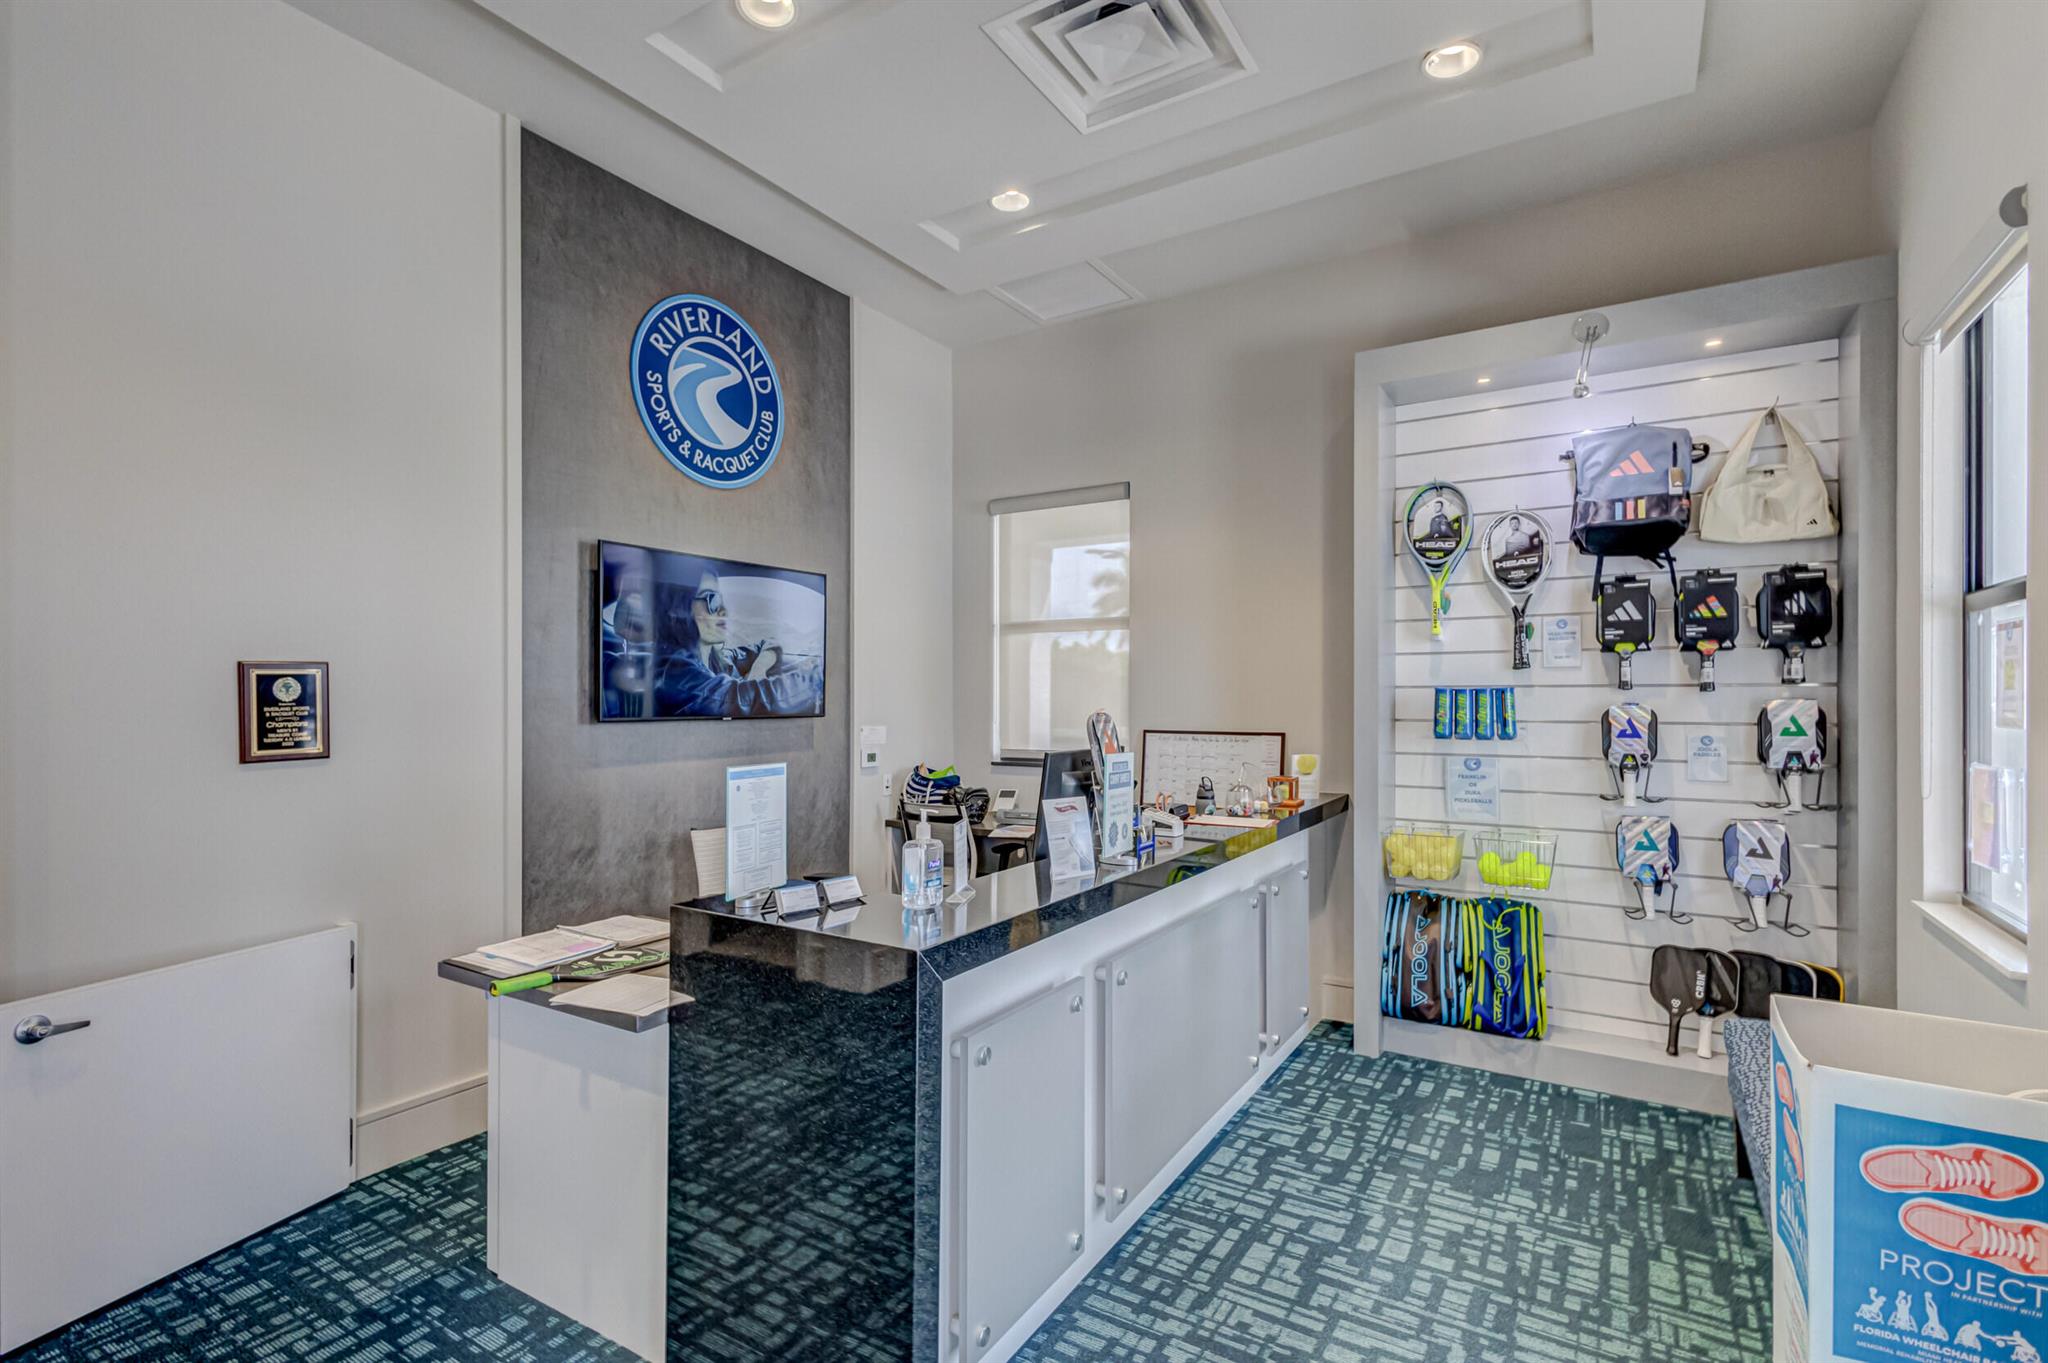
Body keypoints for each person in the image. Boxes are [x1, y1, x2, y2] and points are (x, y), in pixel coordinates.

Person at [654, 568, 823, 718]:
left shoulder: (718, 659)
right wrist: (818, 677)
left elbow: (768, 644)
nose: (724, 611)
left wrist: (759, 668)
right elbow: (741, 700)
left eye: (721, 600)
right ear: (679, 608)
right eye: (712, 600)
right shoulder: (674, 671)